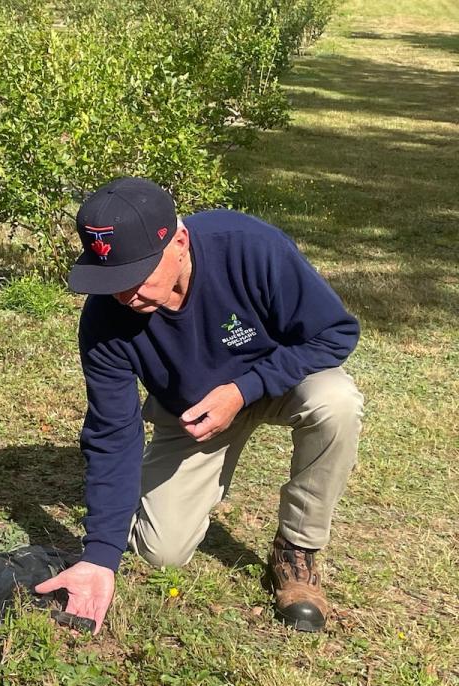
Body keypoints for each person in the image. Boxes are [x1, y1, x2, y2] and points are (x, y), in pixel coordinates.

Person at [35, 177, 363, 633]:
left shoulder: (250, 247)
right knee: (160, 551)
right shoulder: (103, 321)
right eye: (113, 281)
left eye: (138, 276)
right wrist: (100, 556)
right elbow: (113, 432)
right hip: (191, 414)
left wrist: (244, 389)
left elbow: (336, 332)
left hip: (278, 382)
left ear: (180, 241)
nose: (126, 295)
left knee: (336, 401)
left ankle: (297, 546)